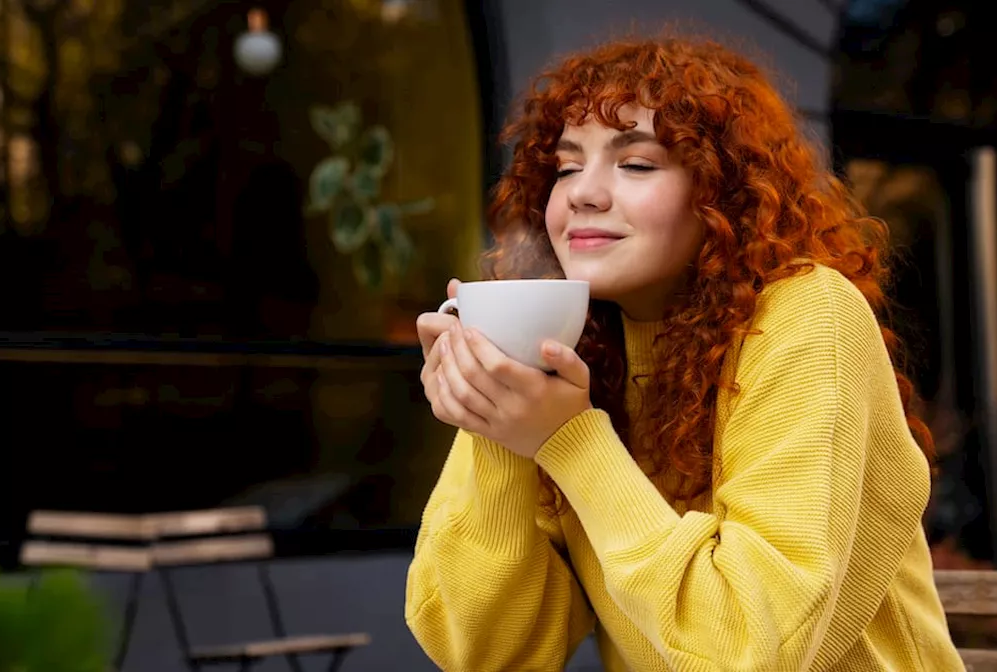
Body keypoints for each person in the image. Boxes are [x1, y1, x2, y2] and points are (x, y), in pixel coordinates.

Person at [404, 36, 965, 671]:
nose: (584, 194)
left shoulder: (808, 316)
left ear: (723, 193)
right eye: (565, 168)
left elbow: (751, 652)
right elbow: (482, 654)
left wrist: (570, 439)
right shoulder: (577, 343)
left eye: (637, 164)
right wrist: (496, 422)